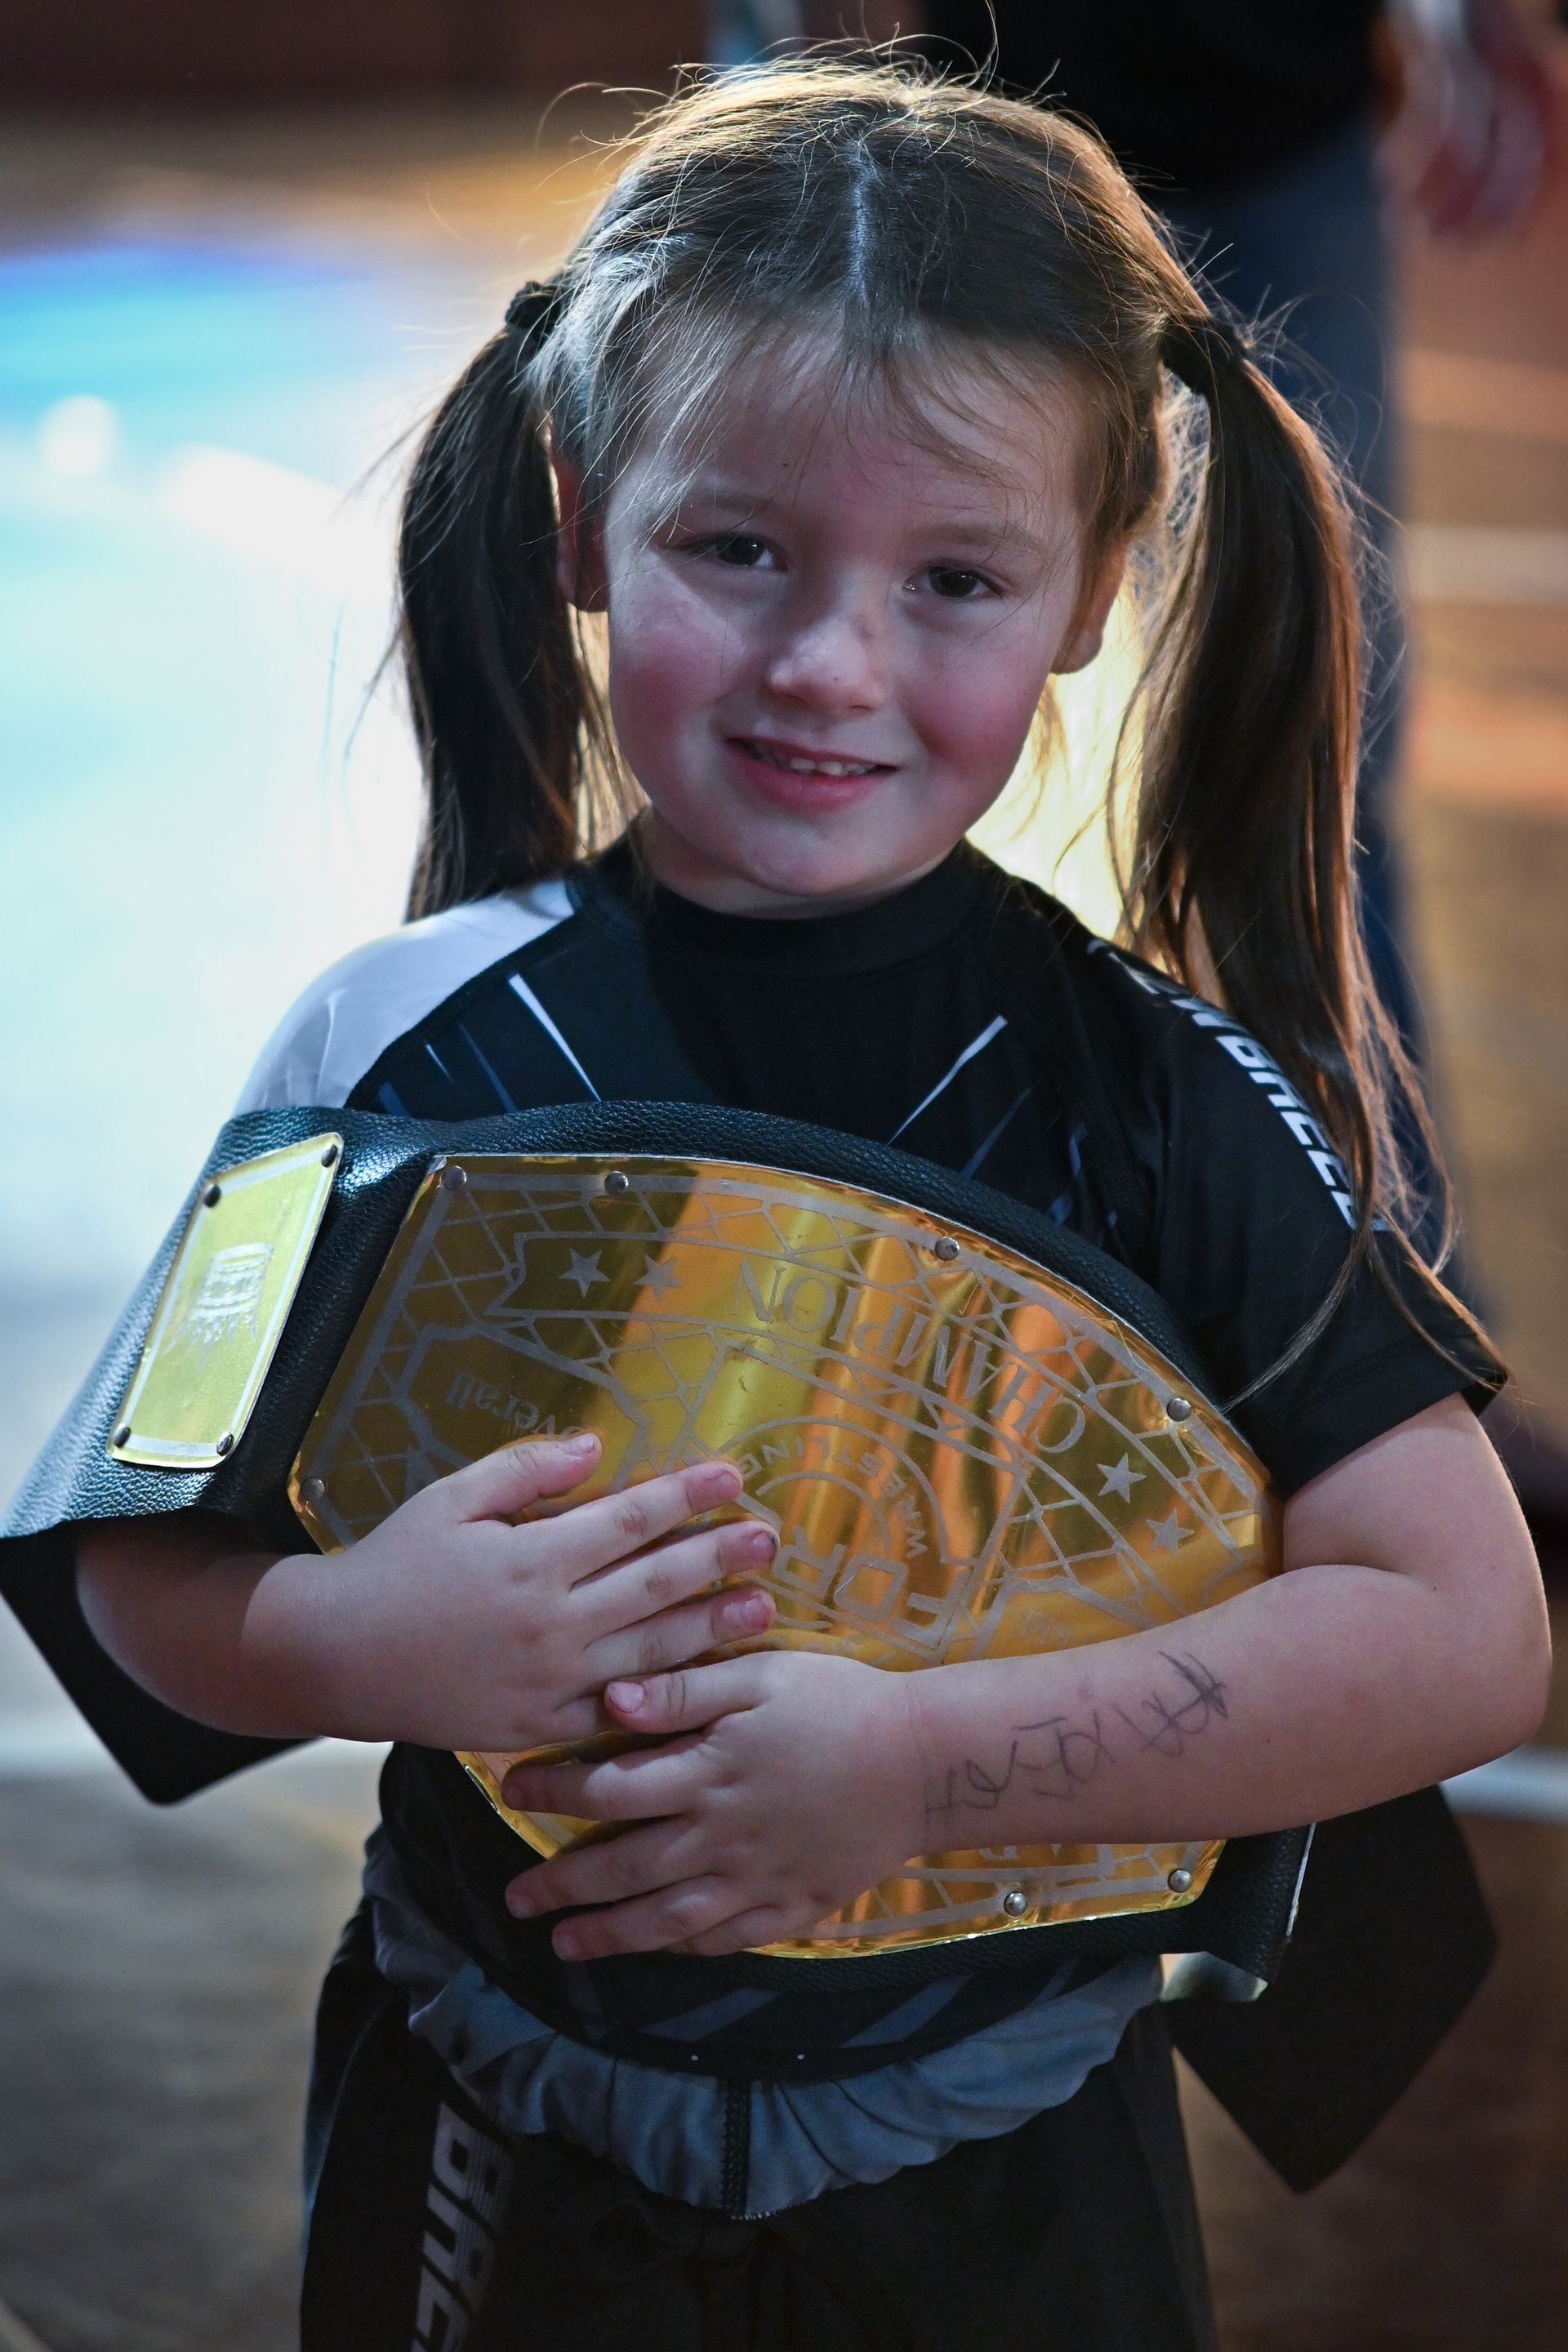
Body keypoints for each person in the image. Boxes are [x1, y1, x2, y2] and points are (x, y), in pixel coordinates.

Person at [60, 60, 1548, 2350]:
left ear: (1093, 592)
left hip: (998, 2193)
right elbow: (138, 1560)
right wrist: (356, 1644)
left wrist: (924, 1767)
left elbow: (1465, 1632)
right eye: (736, 548)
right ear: (579, 522)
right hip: (493, 2151)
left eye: (953, 578)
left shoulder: (1161, 1104)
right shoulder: (389, 1051)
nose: (831, 662)